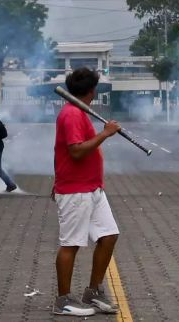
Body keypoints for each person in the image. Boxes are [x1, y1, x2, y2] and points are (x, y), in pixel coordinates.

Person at [51, 67, 121, 317]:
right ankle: (63, 301)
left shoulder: (79, 111)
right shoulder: (71, 114)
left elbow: (59, 151)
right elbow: (76, 151)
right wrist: (105, 134)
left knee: (109, 235)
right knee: (71, 244)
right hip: (75, 192)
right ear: (93, 91)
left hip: (92, 189)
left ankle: (92, 291)